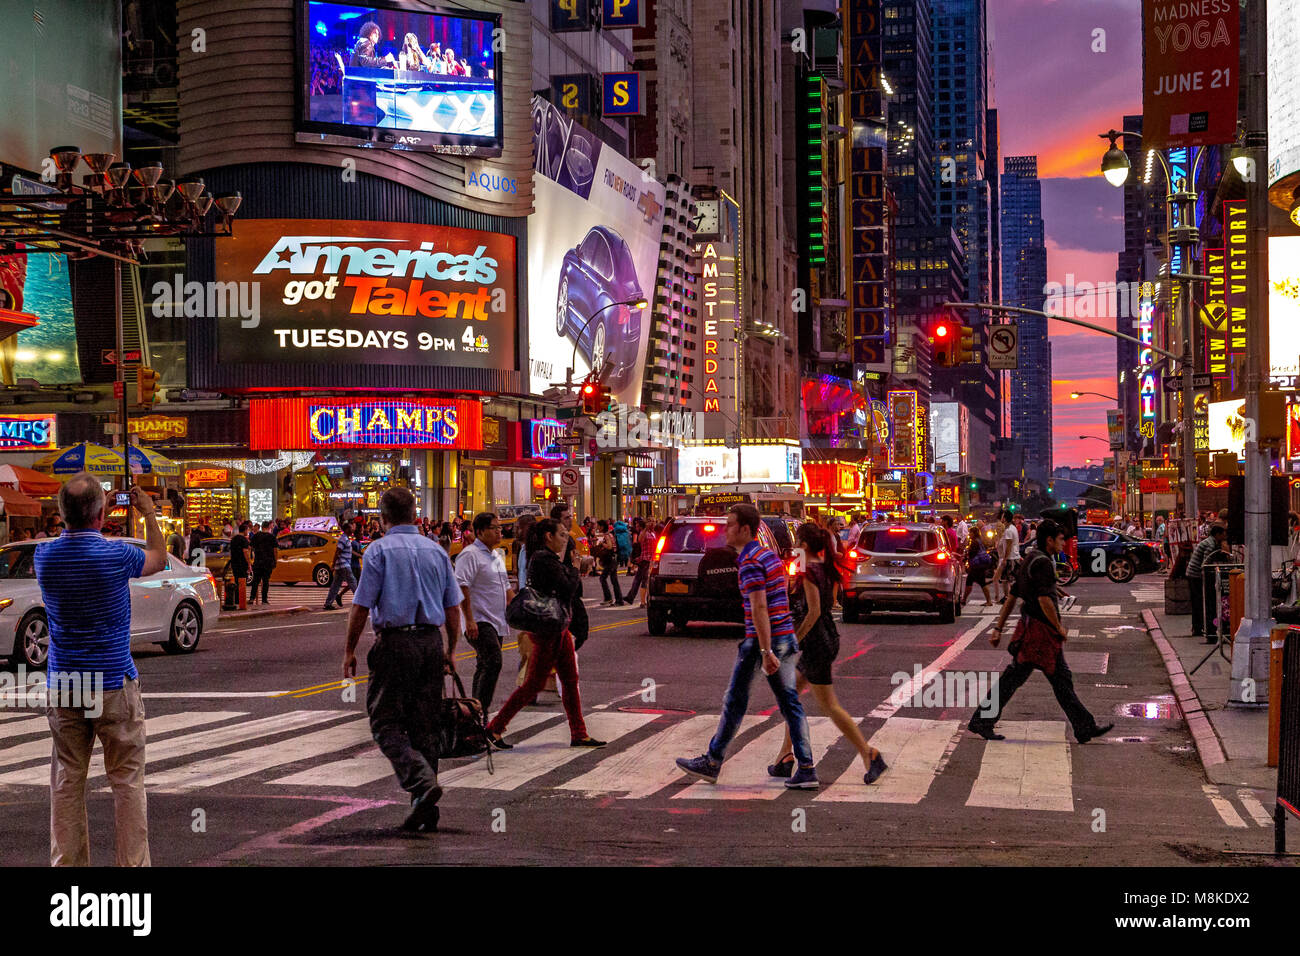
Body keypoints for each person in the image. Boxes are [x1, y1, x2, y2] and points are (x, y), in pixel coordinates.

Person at [35, 474, 167, 866]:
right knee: (126, 781)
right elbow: (158, 558)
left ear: (60, 514)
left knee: (67, 780)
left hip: (66, 683)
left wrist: (96, 508)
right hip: (112, 681)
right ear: (102, 513)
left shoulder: (45, 557)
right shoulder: (117, 555)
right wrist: (148, 514)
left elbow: (78, 530)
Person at [342, 487, 462, 833]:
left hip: (395, 643)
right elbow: (452, 607)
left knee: (385, 721)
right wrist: (450, 650)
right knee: (426, 724)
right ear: (414, 514)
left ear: (383, 517)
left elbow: (361, 605)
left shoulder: (379, 550)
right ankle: (425, 806)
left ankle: (421, 783)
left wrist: (349, 651)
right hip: (429, 642)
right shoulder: (436, 551)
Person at [676, 504, 819, 789]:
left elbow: (759, 607)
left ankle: (714, 760)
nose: (725, 530)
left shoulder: (750, 561)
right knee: (789, 703)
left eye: (729, 524)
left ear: (744, 529)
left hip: (763, 641)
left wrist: (765, 652)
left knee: (736, 702)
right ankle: (805, 767)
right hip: (784, 635)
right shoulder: (767, 556)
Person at [968, 519, 1114, 744]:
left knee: (1047, 679)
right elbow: (1044, 599)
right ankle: (1084, 727)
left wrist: (999, 627)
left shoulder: (1030, 559)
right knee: (1044, 679)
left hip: (1031, 630)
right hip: (1040, 634)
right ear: (1049, 540)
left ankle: (1084, 727)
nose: (1064, 543)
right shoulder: (1044, 562)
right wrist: (1059, 627)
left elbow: (1013, 596)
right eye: (1061, 539)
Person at [767, 523, 887, 785]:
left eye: (798, 541)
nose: (795, 545)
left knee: (829, 706)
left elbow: (813, 612)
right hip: (825, 639)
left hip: (817, 643)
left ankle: (869, 754)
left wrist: (793, 641)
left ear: (806, 545)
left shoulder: (810, 571)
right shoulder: (821, 568)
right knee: (791, 699)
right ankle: (785, 757)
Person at [485, 518, 605, 749]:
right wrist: (574, 567)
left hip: (557, 627)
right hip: (547, 630)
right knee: (534, 683)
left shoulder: (548, 559)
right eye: (561, 534)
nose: (565, 539)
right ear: (548, 536)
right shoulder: (542, 559)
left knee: (569, 680)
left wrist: (571, 568)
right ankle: (494, 728)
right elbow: (569, 588)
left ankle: (579, 733)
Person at [455, 512, 514, 712]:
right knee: (493, 661)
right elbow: (461, 585)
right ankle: (481, 712)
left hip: (497, 621)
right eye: (494, 528)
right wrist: (469, 619)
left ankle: (474, 712)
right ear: (480, 532)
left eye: (500, 528)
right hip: (480, 620)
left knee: (485, 664)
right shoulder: (470, 554)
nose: (500, 532)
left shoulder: (496, 555)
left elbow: (506, 586)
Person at [1185, 524, 1225, 641]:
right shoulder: (1211, 544)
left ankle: (1198, 627)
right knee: (1199, 601)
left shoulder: (1210, 542)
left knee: (1197, 602)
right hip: (1195, 575)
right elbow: (1206, 563)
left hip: (1193, 573)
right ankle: (1198, 627)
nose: (1225, 535)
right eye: (1223, 533)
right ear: (1217, 534)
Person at [323, 521, 357, 611]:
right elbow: (337, 552)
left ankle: (328, 603)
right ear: (346, 529)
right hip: (343, 565)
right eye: (350, 528)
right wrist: (333, 564)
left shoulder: (346, 538)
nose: (352, 529)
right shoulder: (343, 539)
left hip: (341, 565)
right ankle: (360, 602)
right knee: (353, 582)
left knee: (336, 585)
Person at [963, 523, 995, 606]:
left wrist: (966, 556)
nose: (969, 534)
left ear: (974, 533)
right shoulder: (979, 540)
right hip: (979, 565)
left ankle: (989, 601)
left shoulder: (974, 542)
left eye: (970, 533)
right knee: (970, 582)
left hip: (977, 566)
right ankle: (964, 599)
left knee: (981, 583)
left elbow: (972, 554)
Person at [595, 519, 625, 607]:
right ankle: (619, 600)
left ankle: (609, 598)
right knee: (614, 580)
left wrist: (602, 544)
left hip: (610, 561)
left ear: (602, 527)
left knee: (603, 578)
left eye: (598, 526)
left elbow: (609, 546)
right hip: (613, 559)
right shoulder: (610, 534)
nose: (597, 527)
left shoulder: (607, 535)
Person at [628, 520, 657, 607]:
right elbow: (639, 540)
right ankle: (642, 601)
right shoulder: (644, 533)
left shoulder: (652, 533)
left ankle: (631, 597)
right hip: (645, 559)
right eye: (652, 522)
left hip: (651, 560)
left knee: (642, 580)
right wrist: (645, 529)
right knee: (644, 581)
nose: (653, 523)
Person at [250, 520, 278, 605]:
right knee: (266, 581)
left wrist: (252, 557)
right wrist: (275, 561)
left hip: (258, 561)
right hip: (268, 562)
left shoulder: (256, 536)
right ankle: (264, 600)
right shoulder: (272, 537)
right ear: (269, 527)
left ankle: (252, 598)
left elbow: (251, 548)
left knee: (255, 580)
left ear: (262, 527)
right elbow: (275, 550)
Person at [229, 521, 253, 603]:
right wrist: (249, 563)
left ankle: (236, 599)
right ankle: (241, 599)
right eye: (247, 530)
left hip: (234, 563)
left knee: (236, 580)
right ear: (245, 530)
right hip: (242, 563)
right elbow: (245, 552)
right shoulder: (244, 540)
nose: (248, 532)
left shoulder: (233, 539)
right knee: (242, 581)